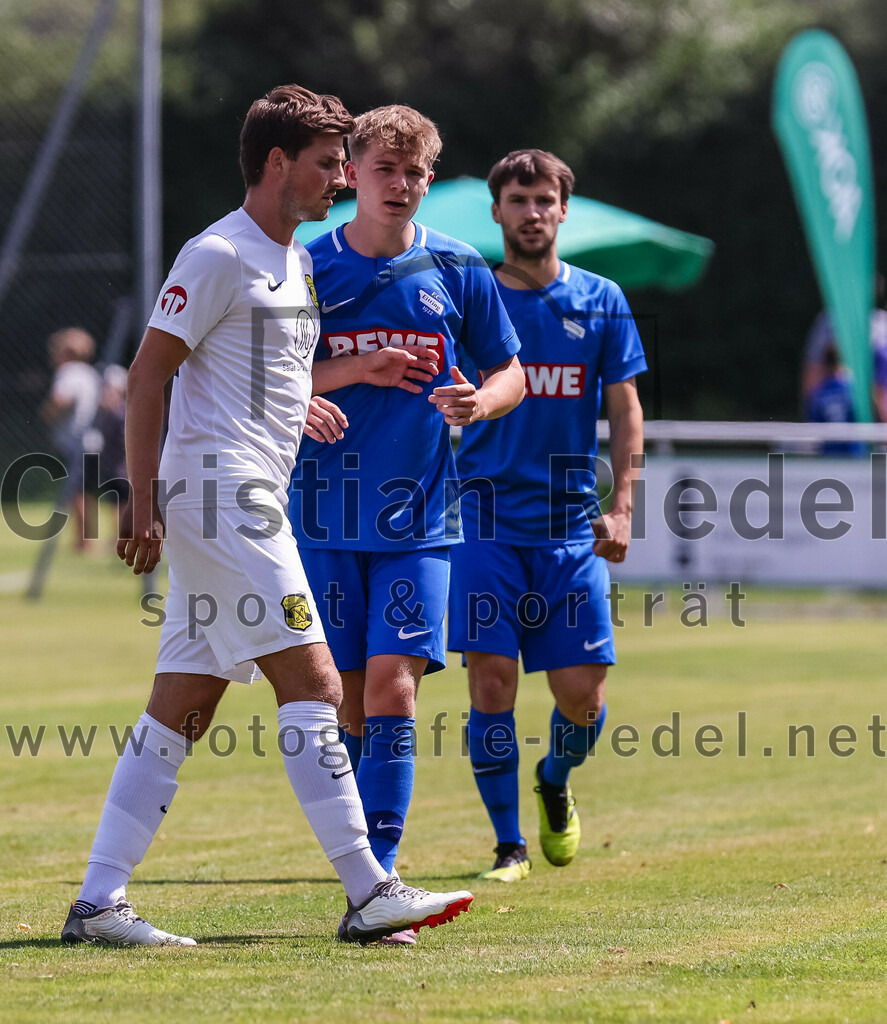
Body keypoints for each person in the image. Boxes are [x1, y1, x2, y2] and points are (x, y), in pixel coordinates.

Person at [61, 84, 472, 948]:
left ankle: (98, 901)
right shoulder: (218, 252)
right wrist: (139, 496)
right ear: (277, 162)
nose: (339, 178)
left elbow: (251, 374)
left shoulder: (294, 259)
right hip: (222, 494)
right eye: (328, 163)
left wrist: (311, 400)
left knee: (184, 701)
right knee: (320, 684)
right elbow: (148, 377)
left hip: (251, 487)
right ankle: (369, 891)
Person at [288, 106, 524, 939]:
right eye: (385, 170)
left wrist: (479, 401)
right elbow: (267, 377)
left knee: (394, 691)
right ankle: (366, 873)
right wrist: (354, 369)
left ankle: (381, 873)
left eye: (415, 172)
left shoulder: (458, 266)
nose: (400, 185)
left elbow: (509, 372)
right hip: (319, 518)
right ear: (352, 171)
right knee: (346, 704)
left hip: (422, 518)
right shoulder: (305, 265)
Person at [447, 150, 646, 882]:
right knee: (490, 684)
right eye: (517, 200)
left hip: (568, 529)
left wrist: (621, 505)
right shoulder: (471, 303)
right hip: (484, 521)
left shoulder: (600, 300)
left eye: (543, 200)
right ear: (496, 212)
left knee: (582, 701)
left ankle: (554, 781)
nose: (531, 212)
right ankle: (508, 846)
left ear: (564, 210)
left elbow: (625, 410)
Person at [39, 327, 103, 551]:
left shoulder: (68, 373)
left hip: (74, 441)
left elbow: (61, 399)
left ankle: (83, 543)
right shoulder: (90, 373)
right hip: (94, 440)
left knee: (76, 492)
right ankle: (88, 539)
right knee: (86, 492)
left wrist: (48, 412)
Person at [800, 272, 887, 423]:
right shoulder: (828, 321)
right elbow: (812, 372)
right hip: (843, 409)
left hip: (871, 411)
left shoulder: (881, 325)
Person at [804, 343, 867, 457]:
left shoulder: (819, 393)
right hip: (854, 455)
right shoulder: (854, 391)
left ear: (825, 364)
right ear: (843, 362)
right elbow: (863, 417)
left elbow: (813, 424)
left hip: (829, 456)